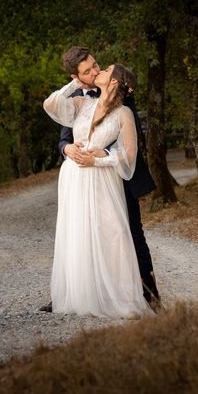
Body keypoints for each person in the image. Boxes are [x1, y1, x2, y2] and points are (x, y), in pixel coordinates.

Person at [42, 58, 154, 319]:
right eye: (89, 70)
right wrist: (74, 84)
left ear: (114, 82)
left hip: (105, 179)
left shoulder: (124, 110)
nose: (97, 72)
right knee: (79, 234)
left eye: (101, 70)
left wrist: (101, 156)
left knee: (120, 234)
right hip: (74, 178)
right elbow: (52, 108)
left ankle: (146, 295)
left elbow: (128, 154)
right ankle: (81, 293)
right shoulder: (82, 101)